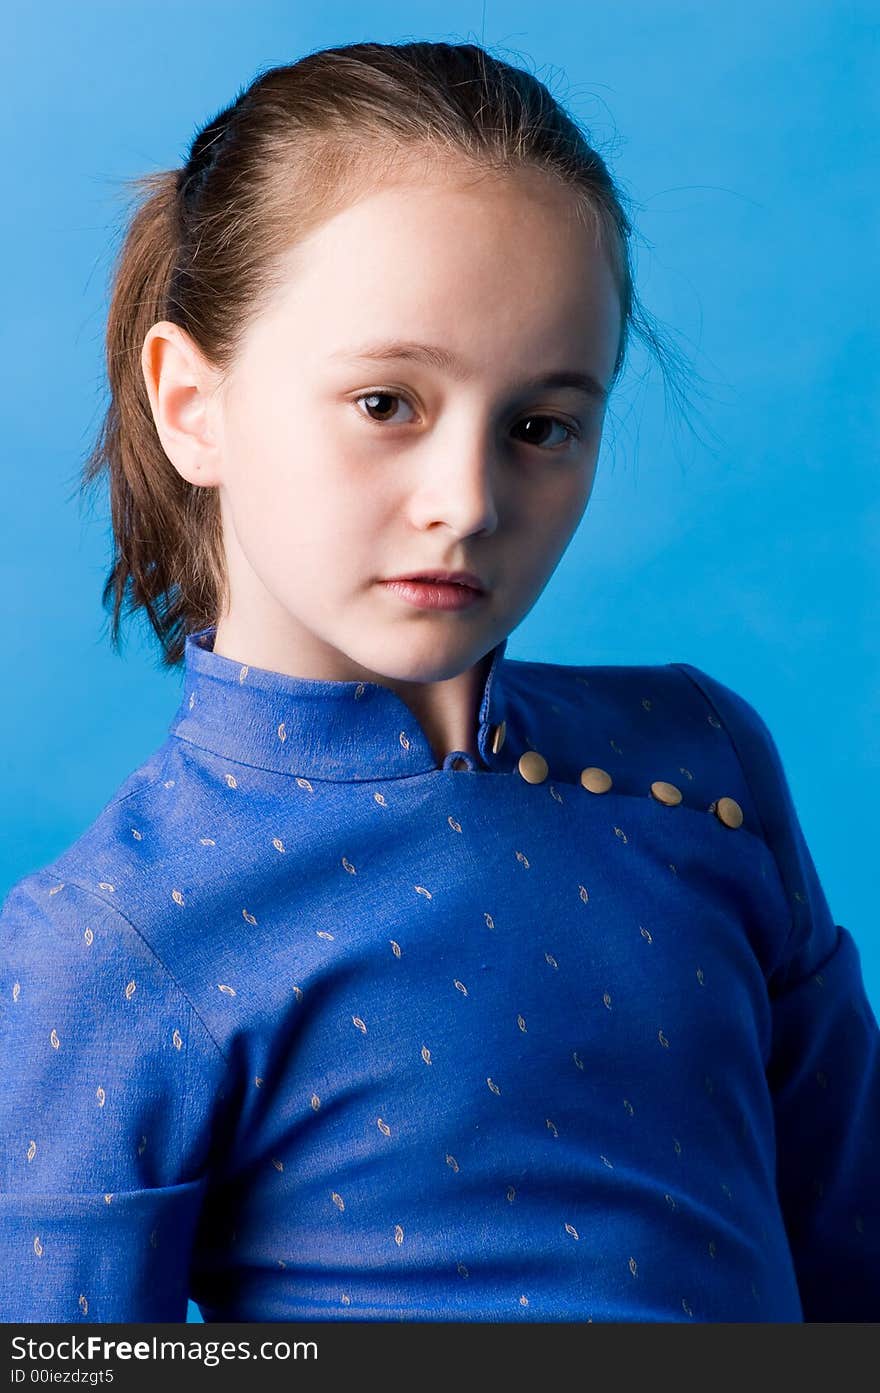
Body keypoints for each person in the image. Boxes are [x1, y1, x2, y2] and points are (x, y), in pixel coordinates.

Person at [1, 39, 877, 1325]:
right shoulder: (109, 938)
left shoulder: (703, 763)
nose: (465, 503)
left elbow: (852, 1258)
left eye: (541, 426)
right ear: (193, 404)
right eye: (383, 403)